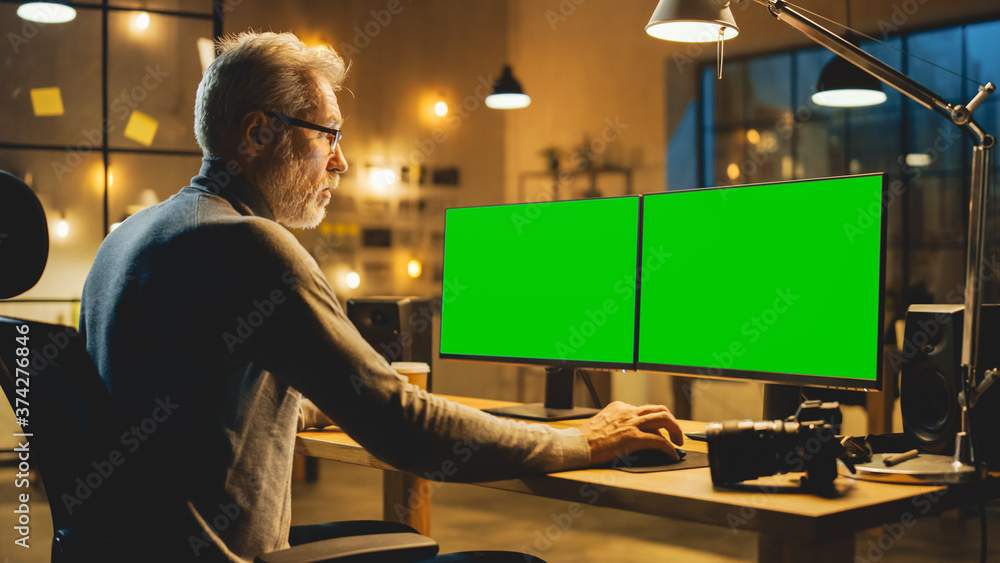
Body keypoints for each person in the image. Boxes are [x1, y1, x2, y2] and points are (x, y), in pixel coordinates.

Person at [78, 31, 683, 562]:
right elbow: (404, 428)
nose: (340, 161)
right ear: (258, 132)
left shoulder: (128, 237)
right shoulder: (249, 246)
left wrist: (339, 395)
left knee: (390, 535)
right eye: (328, 135)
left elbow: (199, 400)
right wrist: (583, 439)